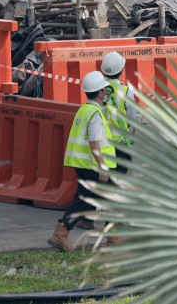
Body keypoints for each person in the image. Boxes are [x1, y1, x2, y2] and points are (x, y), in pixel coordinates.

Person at [48, 71, 116, 252]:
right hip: (93, 165)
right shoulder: (94, 114)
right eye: (104, 90)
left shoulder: (84, 110)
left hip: (84, 164)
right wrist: (102, 167)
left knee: (87, 199)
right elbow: (94, 142)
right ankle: (112, 239)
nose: (106, 93)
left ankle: (62, 233)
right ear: (100, 92)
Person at [100, 51, 141, 173]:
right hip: (120, 144)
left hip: (101, 142)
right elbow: (133, 118)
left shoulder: (97, 89)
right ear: (122, 70)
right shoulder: (126, 91)